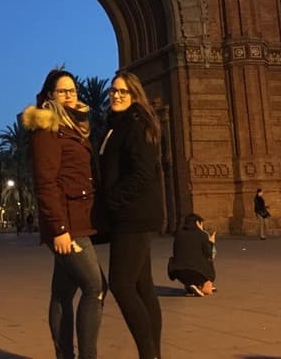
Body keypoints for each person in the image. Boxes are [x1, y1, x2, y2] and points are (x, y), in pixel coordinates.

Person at [23, 68, 105, 359]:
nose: (70, 95)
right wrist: (58, 228)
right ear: (49, 96)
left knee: (63, 293)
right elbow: (46, 181)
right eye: (63, 91)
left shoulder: (74, 125)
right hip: (67, 223)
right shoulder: (48, 127)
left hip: (78, 218)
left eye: (73, 90)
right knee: (95, 286)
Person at [99, 70, 164, 359]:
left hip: (132, 216)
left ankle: (148, 355)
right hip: (135, 214)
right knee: (142, 285)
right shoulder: (121, 124)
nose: (116, 95)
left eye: (122, 92)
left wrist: (114, 200)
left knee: (122, 285)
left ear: (135, 95)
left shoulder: (134, 125)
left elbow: (142, 172)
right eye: (113, 91)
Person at [167, 213, 215, 297]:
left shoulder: (178, 234)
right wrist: (211, 243)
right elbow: (209, 254)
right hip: (197, 273)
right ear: (197, 223)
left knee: (187, 261)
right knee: (208, 261)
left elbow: (176, 253)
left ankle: (191, 285)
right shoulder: (202, 235)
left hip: (178, 272)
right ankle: (203, 285)